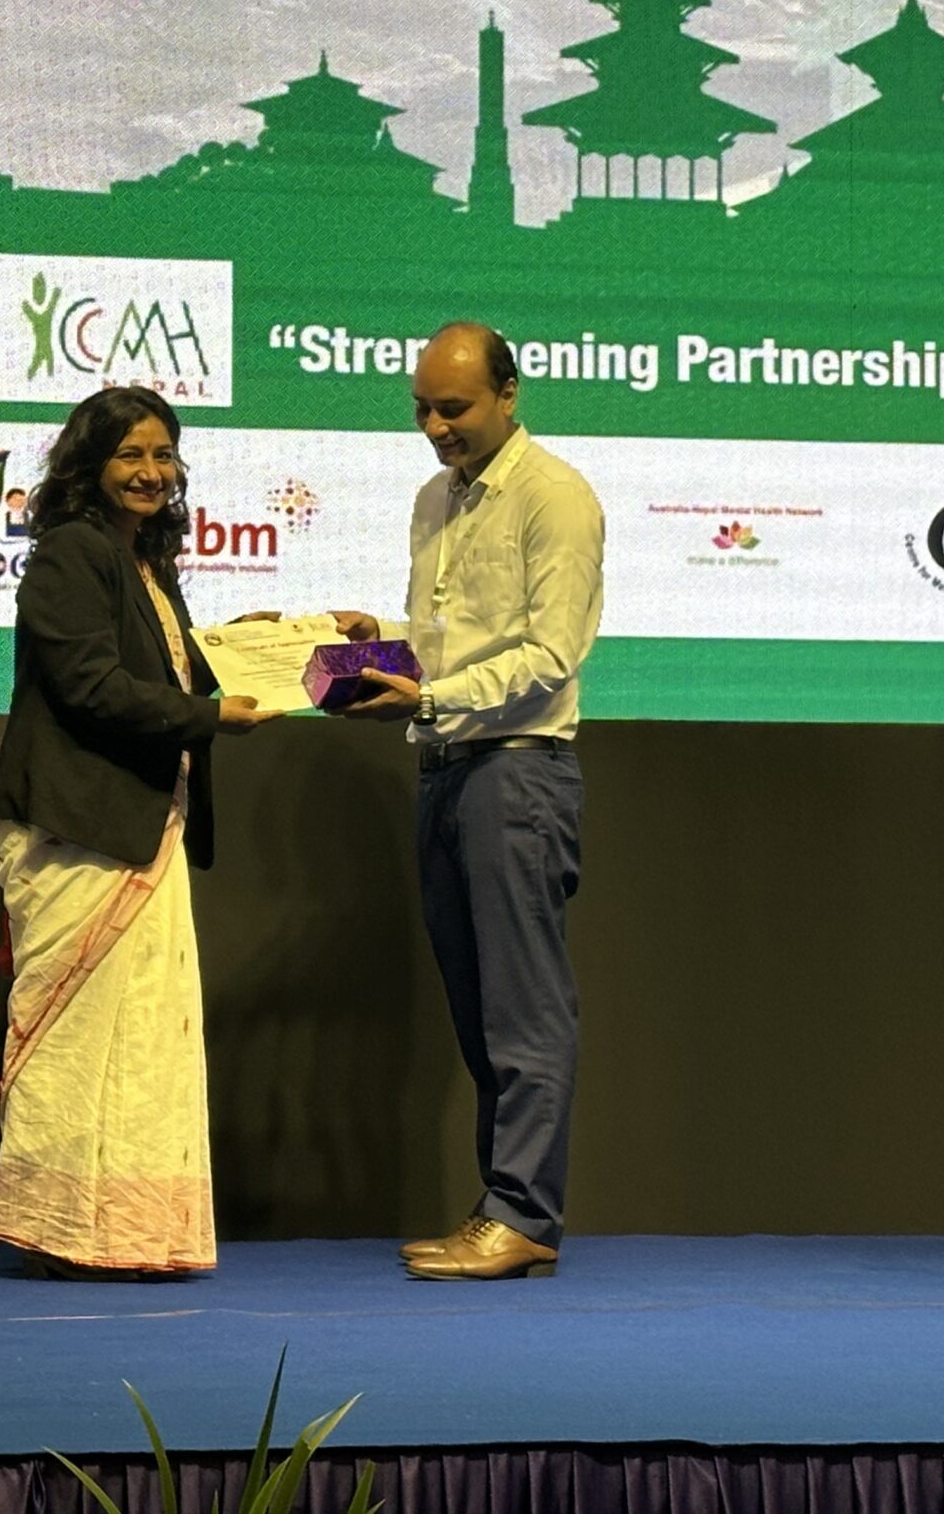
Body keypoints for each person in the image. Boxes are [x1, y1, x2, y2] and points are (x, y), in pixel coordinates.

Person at [0, 386, 282, 1277]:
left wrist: (244, 646)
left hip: (133, 827)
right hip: (81, 830)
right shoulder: (71, 552)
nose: (152, 473)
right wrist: (210, 714)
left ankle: (127, 1232)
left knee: (143, 1037)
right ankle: (58, 1228)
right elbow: (91, 686)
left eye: (164, 456)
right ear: (90, 465)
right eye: (132, 457)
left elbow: (162, 664)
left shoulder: (144, 559)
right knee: (82, 1038)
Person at [334, 323, 605, 1280]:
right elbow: (457, 637)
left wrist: (431, 696)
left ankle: (526, 1213)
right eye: (421, 409)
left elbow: (549, 654)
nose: (435, 426)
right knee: (479, 1009)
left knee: (524, 1009)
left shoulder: (555, 498)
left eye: (453, 408)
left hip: (517, 772)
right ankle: (505, 1208)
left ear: (509, 395)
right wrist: (384, 640)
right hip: (448, 766)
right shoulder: (434, 500)